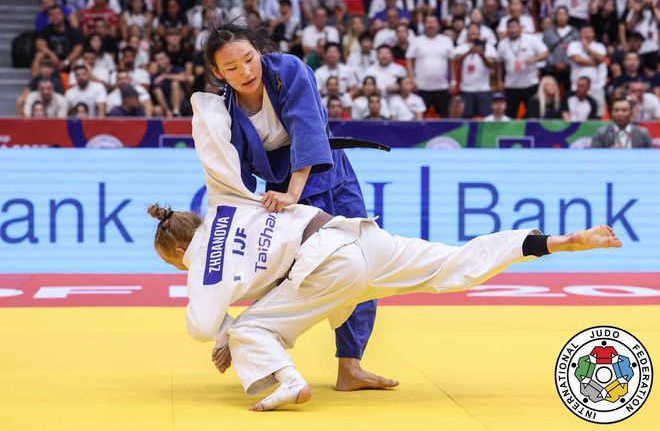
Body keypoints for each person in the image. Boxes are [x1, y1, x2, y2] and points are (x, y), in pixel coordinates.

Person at [148, 90, 623, 411]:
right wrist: (211, 99)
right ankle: (546, 242)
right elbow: (212, 146)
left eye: (173, 262)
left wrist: (224, 336)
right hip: (356, 236)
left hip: (326, 267)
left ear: (181, 249)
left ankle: (289, 382)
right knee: (453, 264)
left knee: (249, 330)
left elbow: (202, 324)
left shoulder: (201, 269)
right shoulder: (226, 202)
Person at [203, 23, 395, 391]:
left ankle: (350, 365)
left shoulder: (288, 69)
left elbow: (307, 128)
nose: (245, 71)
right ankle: (248, 341)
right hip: (278, 192)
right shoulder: (224, 112)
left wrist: (294, 192)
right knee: (279, 276)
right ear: (217, 71)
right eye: (232, 67)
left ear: (259, 52)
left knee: (363, 260)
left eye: (249, 59)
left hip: (328, 175)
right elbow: (234, 173)